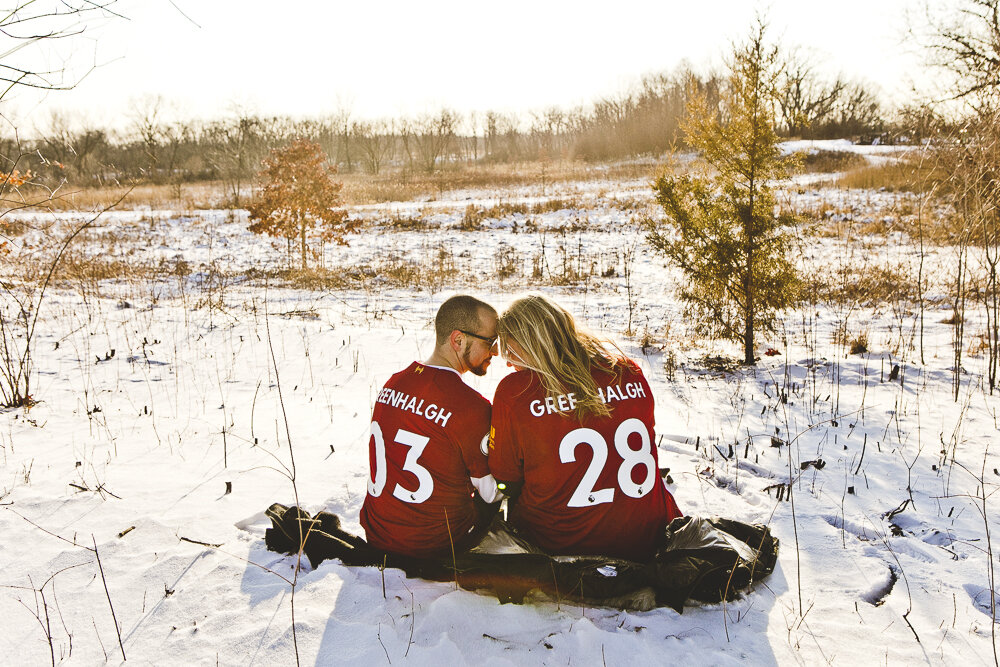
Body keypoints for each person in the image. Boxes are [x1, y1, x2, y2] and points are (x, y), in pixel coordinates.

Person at [488, 294, 682, 562]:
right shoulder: (628, 371)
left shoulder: (517, 391)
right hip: (647, 537)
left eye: (510, 351)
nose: (508, 363)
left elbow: (505, 480)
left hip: (559, 544)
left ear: (533, 343)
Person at [360, 294, 503, 558]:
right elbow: (492, 493)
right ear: (458, 340)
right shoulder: (471, 407)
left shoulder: (393, 383)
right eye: (491, 342)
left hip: (377, 534)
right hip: (436, 544)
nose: (496, 352)